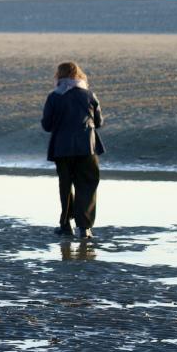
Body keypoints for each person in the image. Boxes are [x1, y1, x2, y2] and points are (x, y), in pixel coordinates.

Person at [41, 61, 105, 240]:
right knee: (87, 184)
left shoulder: (54, 96)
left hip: (62, 148)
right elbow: (99, 122)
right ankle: (85, 228)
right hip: (87, 147)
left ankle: (65, 225)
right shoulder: (89, 94)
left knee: (65, 185)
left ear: (59, 76)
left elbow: (46, 125)